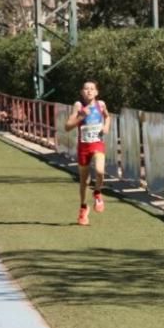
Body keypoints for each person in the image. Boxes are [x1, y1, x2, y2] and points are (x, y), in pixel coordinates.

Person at [64, 80, 111, 226]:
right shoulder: (78, 106)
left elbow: (108, 116)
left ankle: (97, 192)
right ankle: (83, 207)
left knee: (99, 170)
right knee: (84, 182)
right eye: (86, 89)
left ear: (96, 92)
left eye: (92, 89)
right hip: (83, 147)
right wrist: (80, 117)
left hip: (97, 144)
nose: (89, 91)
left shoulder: (101, 105)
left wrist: (106, 126)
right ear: (81, 92)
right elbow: (67, 127)